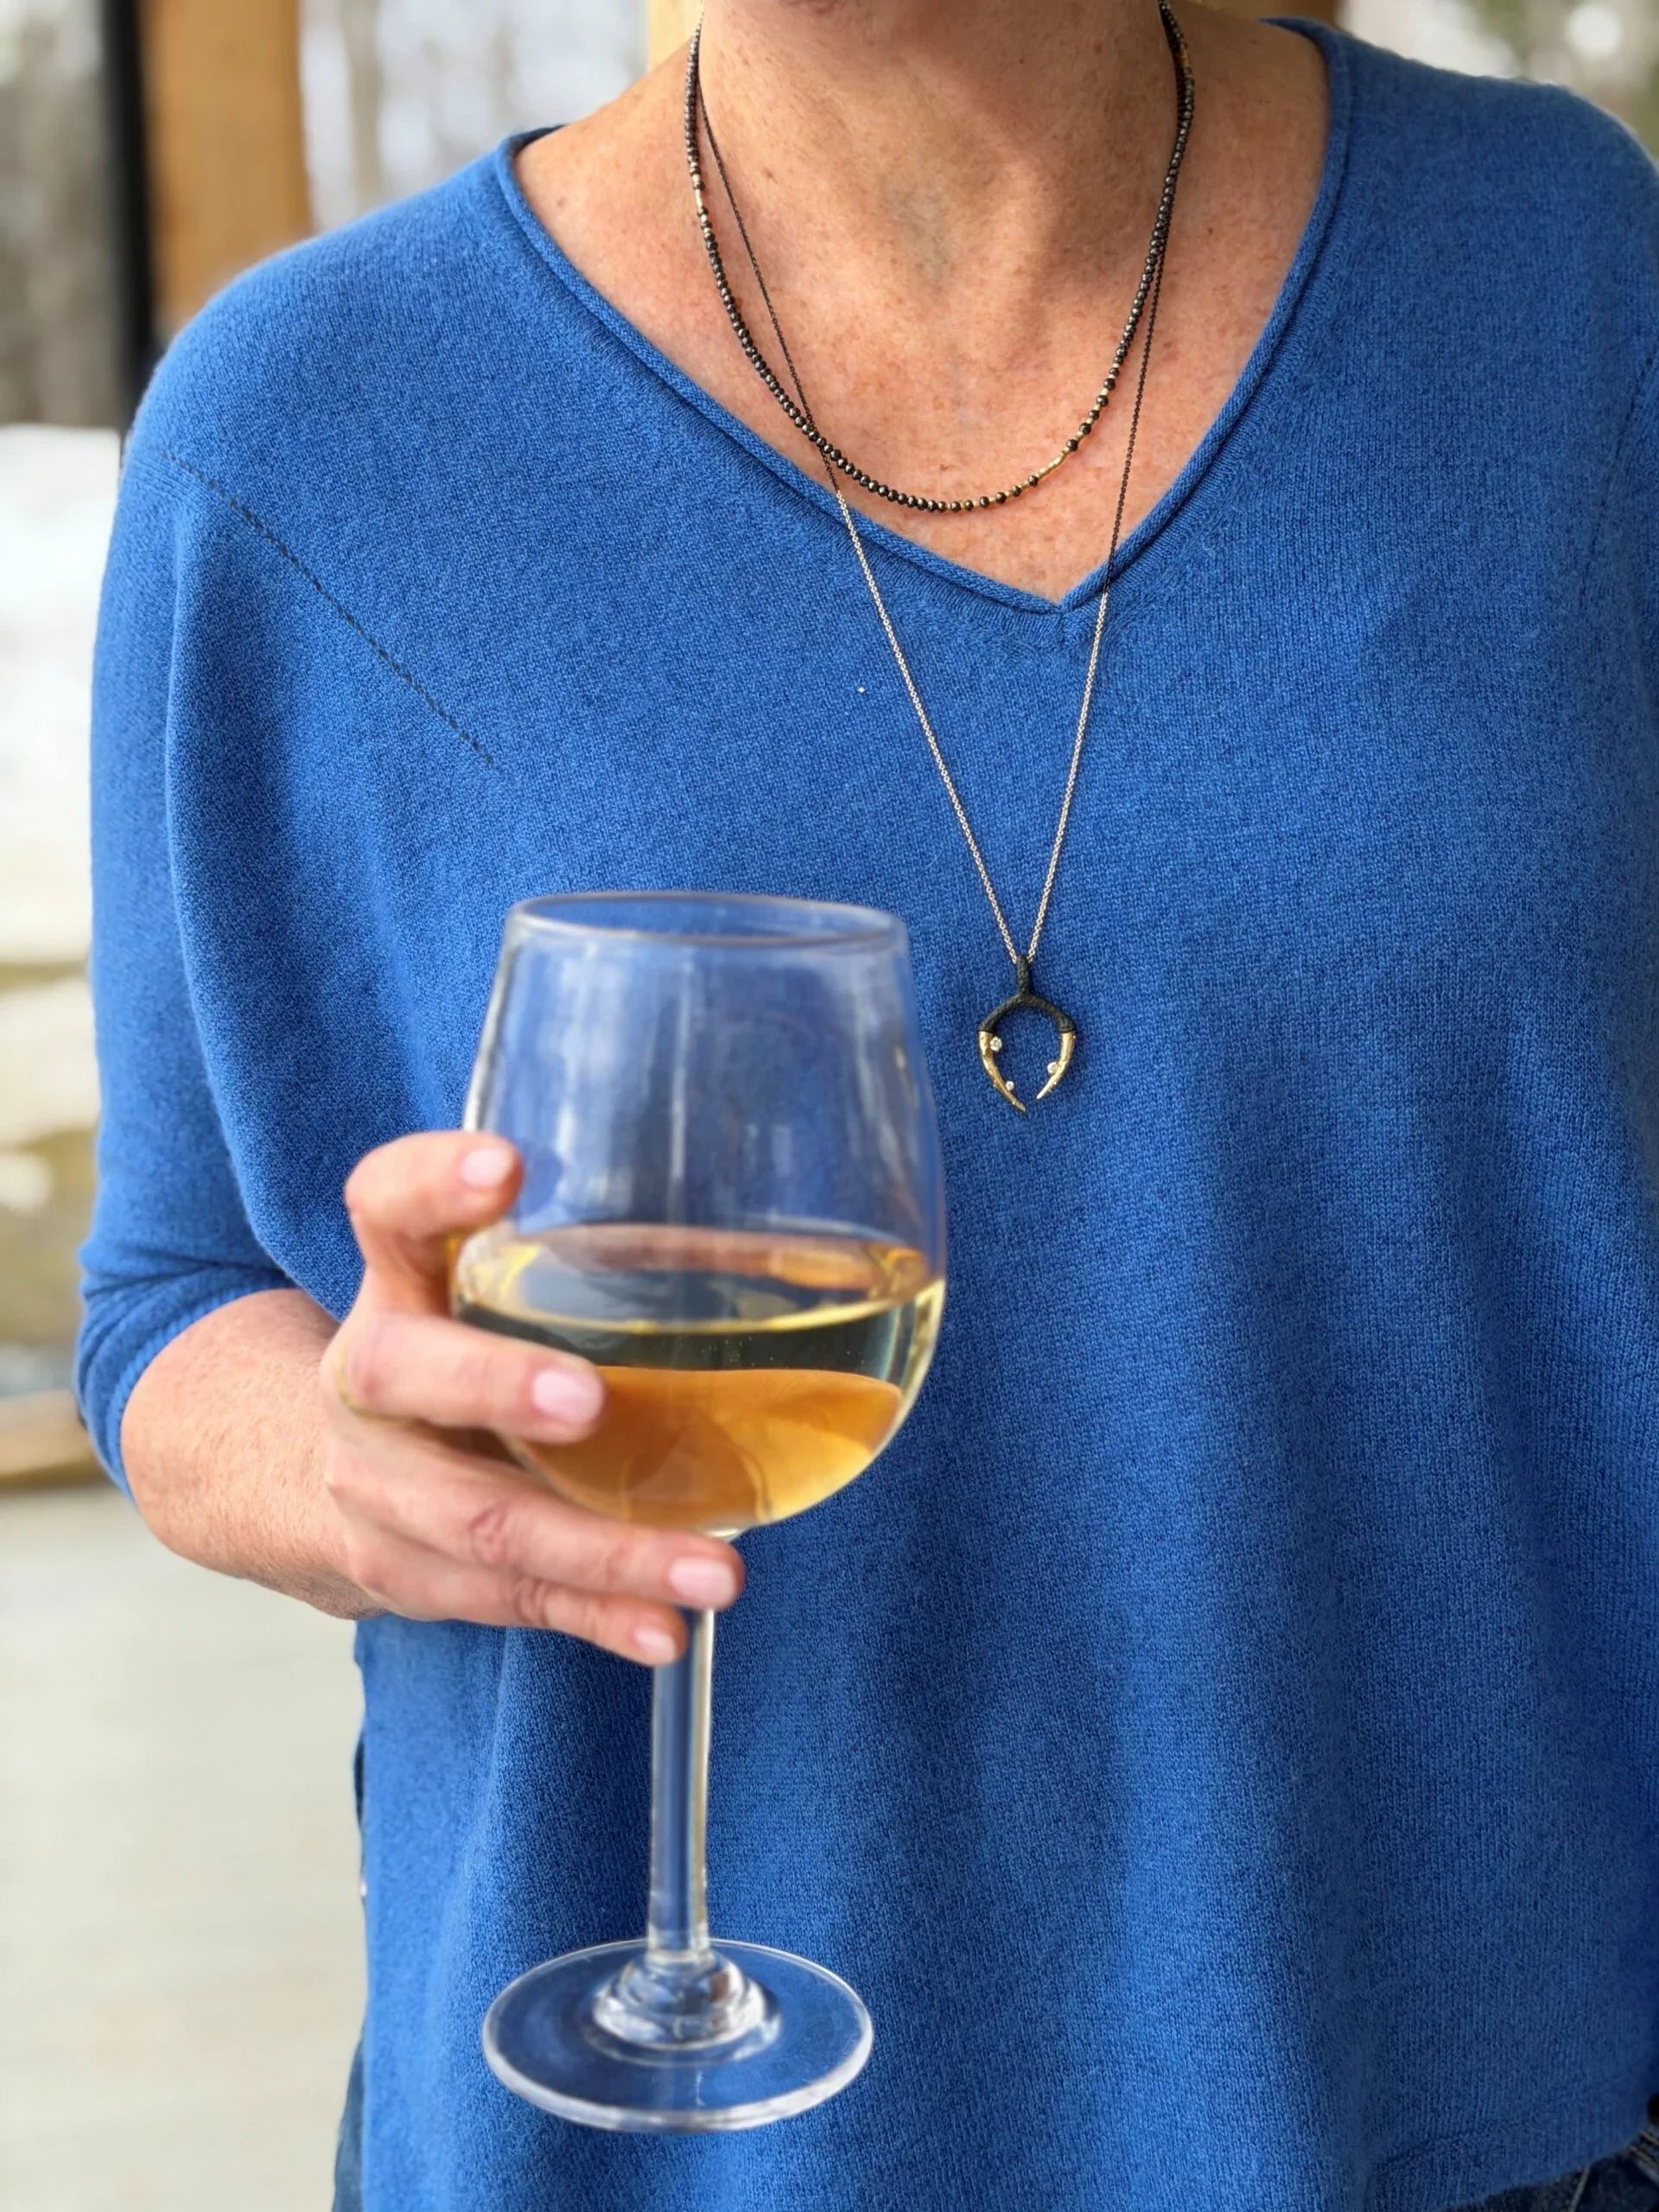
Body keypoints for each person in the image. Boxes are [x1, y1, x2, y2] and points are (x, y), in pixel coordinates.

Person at [80, 0, 1659, 2203]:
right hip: (668, 2149)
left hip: (1492, 2102)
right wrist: (351, 1463)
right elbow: (165, 1304)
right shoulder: (302, 430)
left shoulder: (1572, 280)